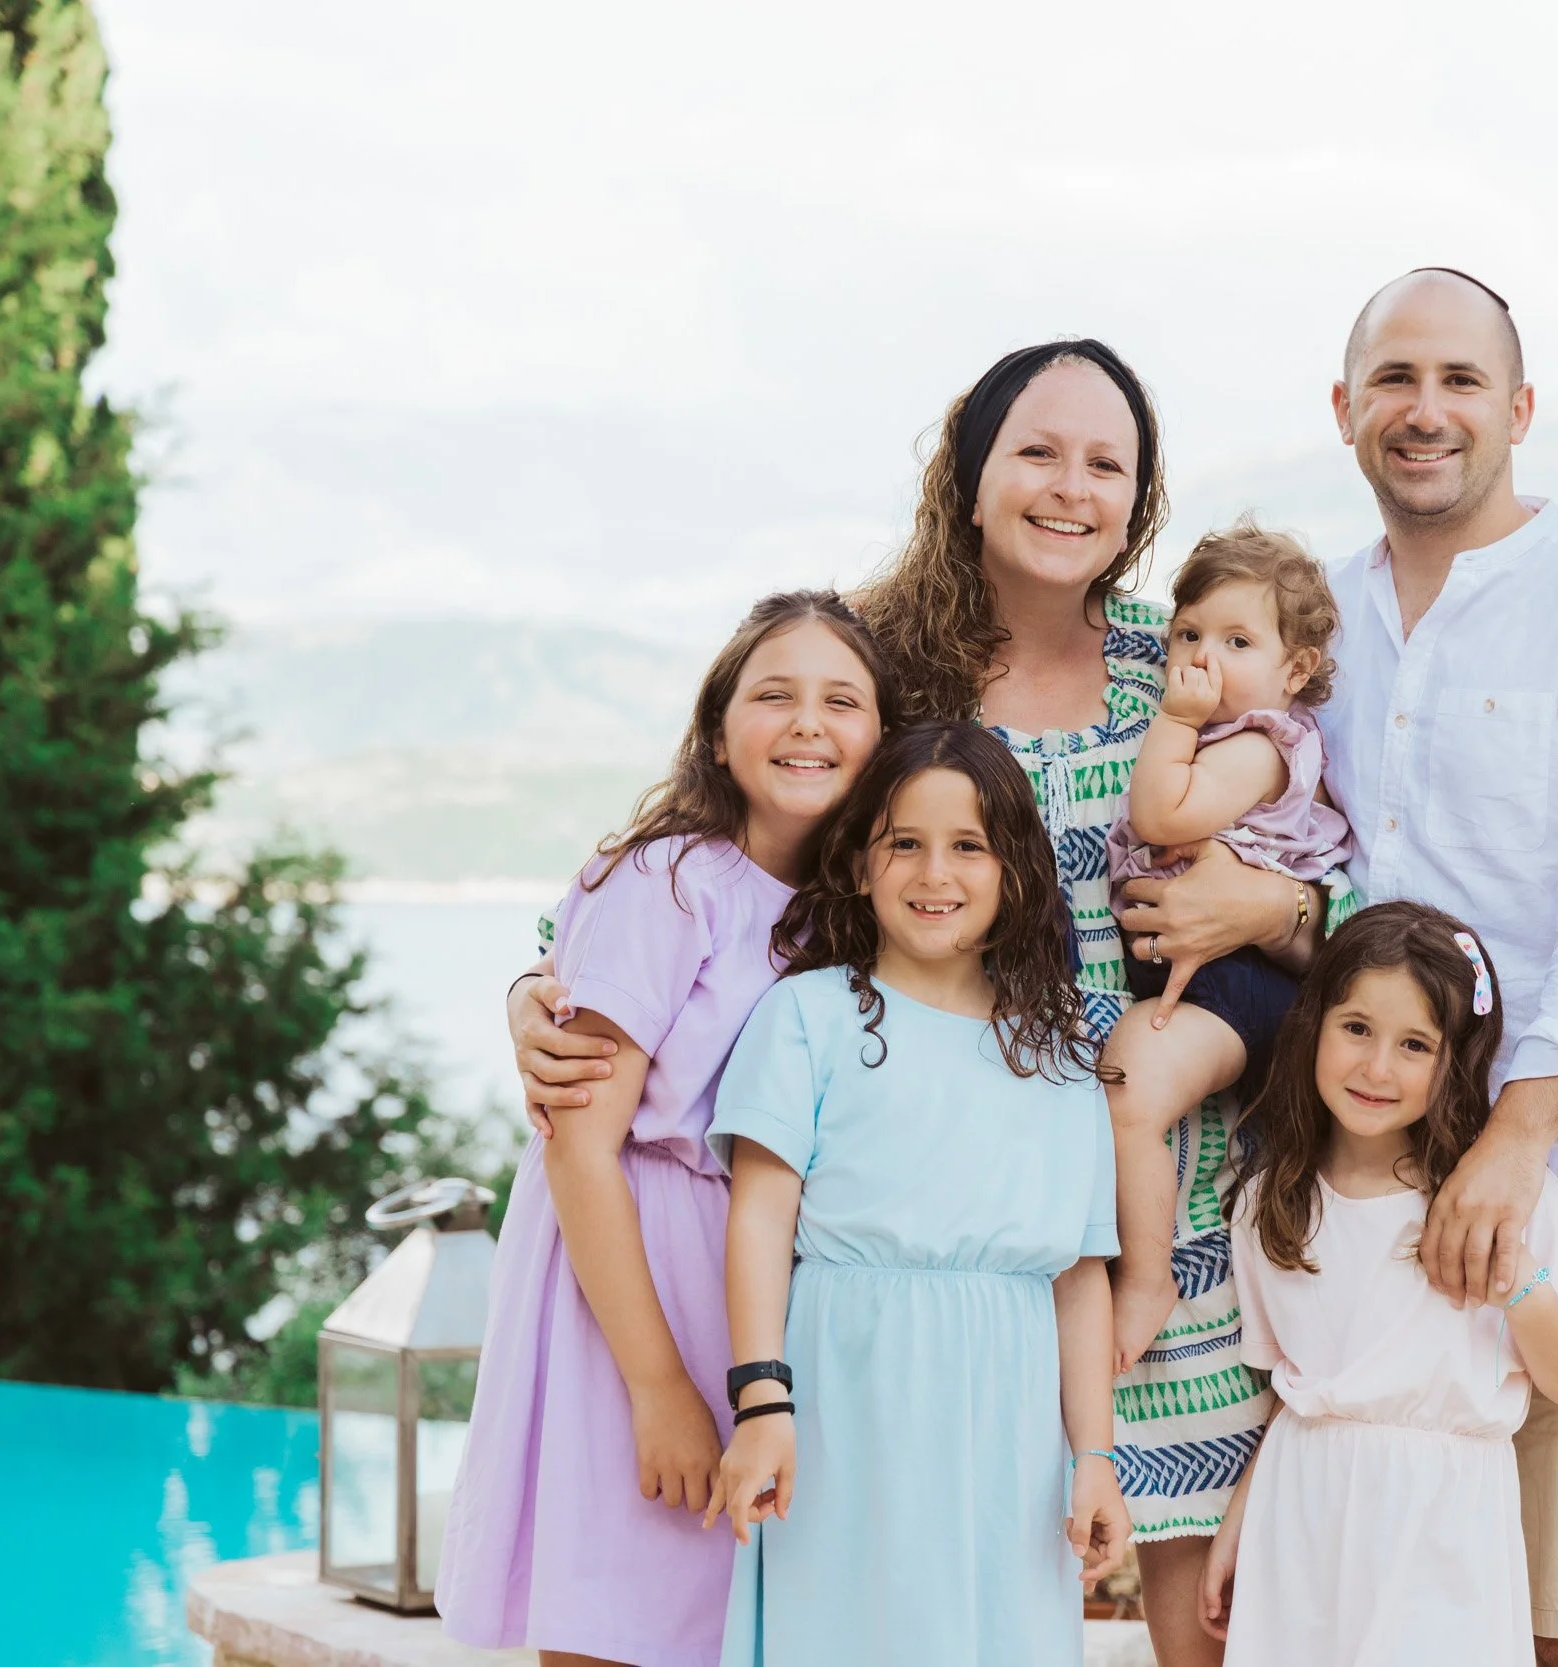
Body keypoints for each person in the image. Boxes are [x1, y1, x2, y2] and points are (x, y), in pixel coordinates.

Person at [511, 338, 1348, 1664]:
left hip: (1156, 1197)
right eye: (1037, 450)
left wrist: (1281, 915)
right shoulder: (884, 668)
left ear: (1141, 499)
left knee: (1207, 1618)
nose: (1070, 486)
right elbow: (729, 846)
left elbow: (1338, 871)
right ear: (968, 474)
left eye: (1106, 463)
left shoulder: (1186, 663)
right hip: (912, 1216)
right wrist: (542, 982)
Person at [1312, 268, 1558, 1666]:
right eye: (1395, 380)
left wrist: (1515, 1142)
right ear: (1346, 408)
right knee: (1393, 1607)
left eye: (1462, 380)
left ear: (1521, 408)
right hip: (1365, 1189)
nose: (1426, 410)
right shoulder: (1320, 624)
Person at [435, 592, 894, 1667]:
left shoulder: (849, 907)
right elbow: (578, 1143)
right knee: (622, 1614)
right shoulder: (666, 880)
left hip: (756, 1293)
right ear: (719, 728)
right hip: (633, 1282)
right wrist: (658, 1386)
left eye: (843, 699)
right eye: (773, 694)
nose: (807, 723)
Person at [702, 721, 1129, 1666]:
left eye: (968, 845)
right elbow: (762, 1218)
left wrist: (1093, 1456)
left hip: (1008, 1428)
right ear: (859, 864)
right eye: (906, 843)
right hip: (846, 1395)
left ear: (1015, 870)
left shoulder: (1060, 1053)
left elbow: (1078, 1277)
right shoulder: (807, 1015)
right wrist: (761, 1402)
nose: (936, 872)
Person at [1197, 902, 1558, 1662]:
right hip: (1302, 1520)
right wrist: (1238, 1523)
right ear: (1313, 1023)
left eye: (1414, 1043)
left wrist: (1519, 1284)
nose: (1377, 1066)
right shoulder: (1270, 1199)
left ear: (1456, 1059)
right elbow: (1298, 1392)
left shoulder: (1499, 1203)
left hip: (1441, 1524)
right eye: (1356, 1027)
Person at [1099, 519, 1352, 1369]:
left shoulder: (1257, 745)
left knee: (1129, 1089)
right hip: (1214, 975)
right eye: (1189, 635)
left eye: (1237, 640)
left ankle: (1145, 1279)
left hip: (1245, 979)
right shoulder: (1225, 732)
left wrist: (1174, 715)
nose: (1205, 657)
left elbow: (1164, 816)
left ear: (1296, 669)